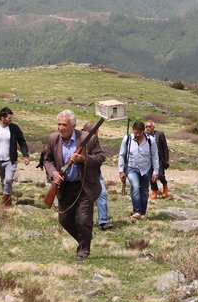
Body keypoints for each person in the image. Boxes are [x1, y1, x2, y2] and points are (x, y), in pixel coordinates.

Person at [43, 110, 105, 261]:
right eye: (59, 124)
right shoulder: (53, 139)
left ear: (73, 126)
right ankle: (84, 239)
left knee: (84, 220)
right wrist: (54, 174)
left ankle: (84, 250)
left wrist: (84, 159)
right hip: (65, 187)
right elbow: (47, 160)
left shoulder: (86, 139)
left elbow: (101, 157)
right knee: (64, 220)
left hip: (85, 186)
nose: (61, 128)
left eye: (64, 125)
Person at [0, 107, 30, 207]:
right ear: (2, 118)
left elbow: (22, 141)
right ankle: (8, 200)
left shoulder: (14, 128)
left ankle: (5, 204)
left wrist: (26, 155)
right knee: (4, 181)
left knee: (8, 180)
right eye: (9, 118)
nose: (10, 120)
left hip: (11, 160)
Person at [118, 120, 159, 220]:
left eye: (139, 133)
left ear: (143, 131)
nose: (137, 135)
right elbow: (122, 155)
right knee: (135, 187)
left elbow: (155, 156)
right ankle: (136, 211)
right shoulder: (127, 139)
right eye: (135, 132)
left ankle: (142, 212)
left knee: (144, 191)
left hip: (146, 169)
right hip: (132, 168)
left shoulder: (151, 140)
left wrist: (155, 172)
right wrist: (121, 170)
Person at [82, 121, 113, 230]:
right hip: (80, 175)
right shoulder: (77, 139)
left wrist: (87, 159)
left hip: (94, 173)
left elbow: (101, 157)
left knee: (102, 194)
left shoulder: (94, 140)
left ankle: (103, 221)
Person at [146, 120, 170, 199]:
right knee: (151, 176)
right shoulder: (145, 136)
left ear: (153, 127)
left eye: (149, 126)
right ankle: (154, 190)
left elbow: (165, 148)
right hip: (149, 160)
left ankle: (165, 185)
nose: (148, 128)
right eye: (146, 127)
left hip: (159, 159)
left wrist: (166, 160)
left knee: (159, 175)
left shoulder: (159, 134)